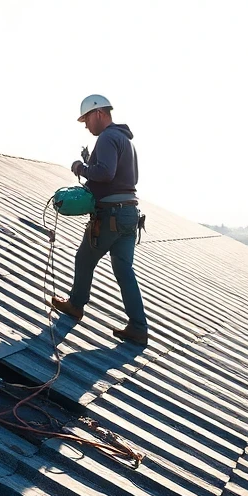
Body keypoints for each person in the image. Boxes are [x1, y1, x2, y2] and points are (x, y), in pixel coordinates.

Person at [50, 94, 149, 343]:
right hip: (129, 214)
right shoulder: (125, 139)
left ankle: (75, 304)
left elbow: (105, 173)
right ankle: (138, 327)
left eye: (86, 119)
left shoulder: (107, 137)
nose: (86, 125)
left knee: (84, 257)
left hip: (111, 214)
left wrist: (80, 168)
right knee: (124, 270)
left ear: (99, 114)